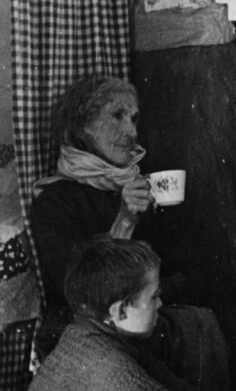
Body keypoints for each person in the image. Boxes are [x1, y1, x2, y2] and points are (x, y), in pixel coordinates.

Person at [29, 76, 158, 352]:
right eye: (117, 116)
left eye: (134, 119)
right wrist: (125, 221)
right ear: (83, 126)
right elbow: (81, 296)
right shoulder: (54, 201)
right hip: (84, 340)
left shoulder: (140, 186)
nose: (132, 132)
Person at [29, 238, 175, 390]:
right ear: (120, 311)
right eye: (154, 296)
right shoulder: (122, 378)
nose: (160, 303)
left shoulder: (77, 332)